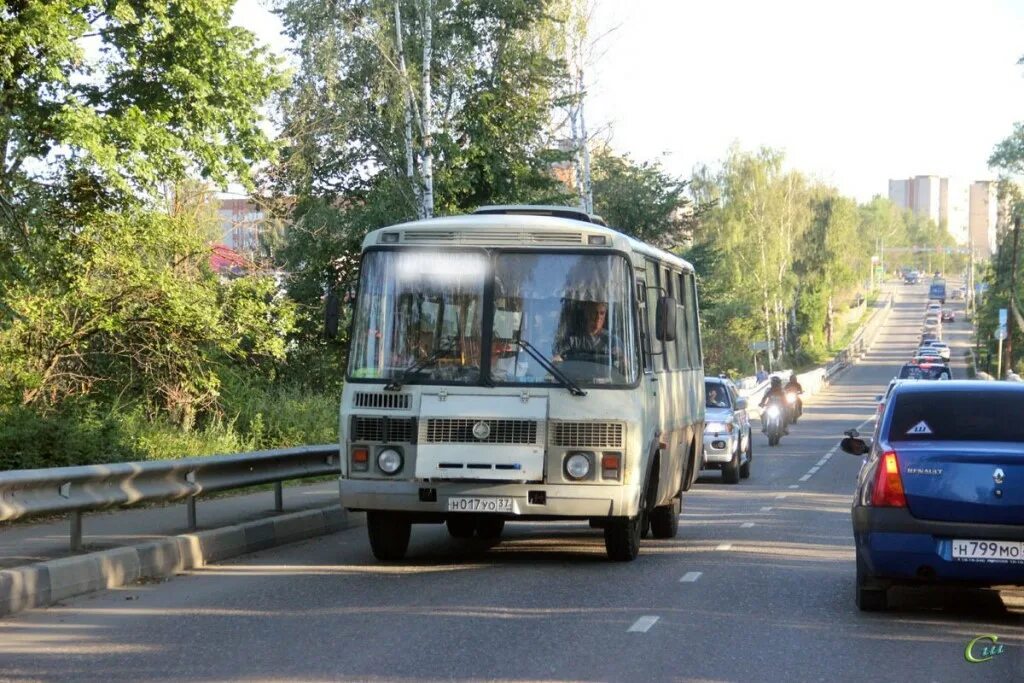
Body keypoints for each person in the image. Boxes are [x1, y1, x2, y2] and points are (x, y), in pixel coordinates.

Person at [552, 301, 621, 363]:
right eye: (593, 313)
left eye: (602, 313)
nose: (597, 319)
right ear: (587, 313)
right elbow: (557, 358)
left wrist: (622, 359)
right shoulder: (573, 340)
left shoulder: (612, 341)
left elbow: (624, 360)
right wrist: (557, 360)